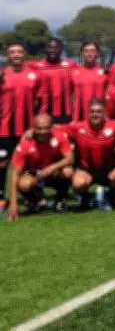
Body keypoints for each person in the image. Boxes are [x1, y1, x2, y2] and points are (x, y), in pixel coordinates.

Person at [0, 43, 47, 213]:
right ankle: (1, 198)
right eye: (12, 52)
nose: (16, 55)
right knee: (2, 163)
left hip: (27, 130)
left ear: (25, 54)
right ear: (7, 55)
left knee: (31, 164)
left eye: (19, 51)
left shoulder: (34, 75)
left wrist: (35, 126)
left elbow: (41, 102)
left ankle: (35, 195)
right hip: (4, 129)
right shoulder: (2, 74)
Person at [65, 99, 115, 210]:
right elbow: (54, 128)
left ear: (105, 113)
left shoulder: (114, 125)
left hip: (110, 169)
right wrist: (32, 130)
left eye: (99, 111)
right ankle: (87, 198)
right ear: (88, 113)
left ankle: (112, 195)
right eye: (92, 111)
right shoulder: (77, 127)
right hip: (87, 170)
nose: (95, 114)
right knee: (78, 183)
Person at [5, 115, 74, 220]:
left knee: (68, 171)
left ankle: (61, 198)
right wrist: (13, 203)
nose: (43, 131)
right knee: (24, 184)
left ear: (52, 127)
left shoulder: (60, 137)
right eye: (39, 128)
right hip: (34, 175)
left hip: (53, 173)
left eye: (46, 128)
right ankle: (34, 201)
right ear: (33, 128)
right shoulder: (25, 143)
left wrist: (52, 168)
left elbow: (70, 159)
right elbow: (14, 172)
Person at [26, 38, 77, 124]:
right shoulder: (34, 66)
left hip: (65, 114)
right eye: (49, 47)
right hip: (43, 113)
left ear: (61, 49)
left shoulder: (71, 65)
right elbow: (15, 69)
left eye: (56, 47)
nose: (52, 50)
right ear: (45, 49)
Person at [70, 41, 108, 122]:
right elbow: (70, 95)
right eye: (86, 51)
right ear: (82, 53)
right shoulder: (73, 72)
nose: (89, 53)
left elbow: (109, 94)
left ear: (97, 54)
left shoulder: (105, 72)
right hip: (78, 118)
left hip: (100, 117)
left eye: (92, 51)